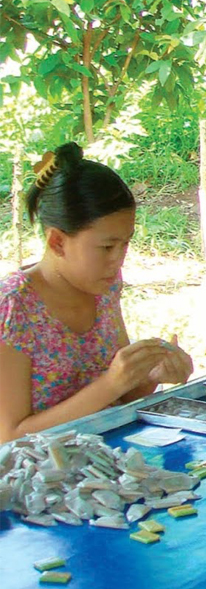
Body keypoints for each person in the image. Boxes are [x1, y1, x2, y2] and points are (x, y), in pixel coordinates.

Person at [0, 143, 194, 441]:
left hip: (107, 461)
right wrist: (111, 385)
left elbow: (124, 395)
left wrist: (150, 375)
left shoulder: (105, 286)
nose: (119, 259)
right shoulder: (14, 307)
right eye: (106, 247)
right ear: (57, 243)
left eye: (125, 244)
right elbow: (10, 437)